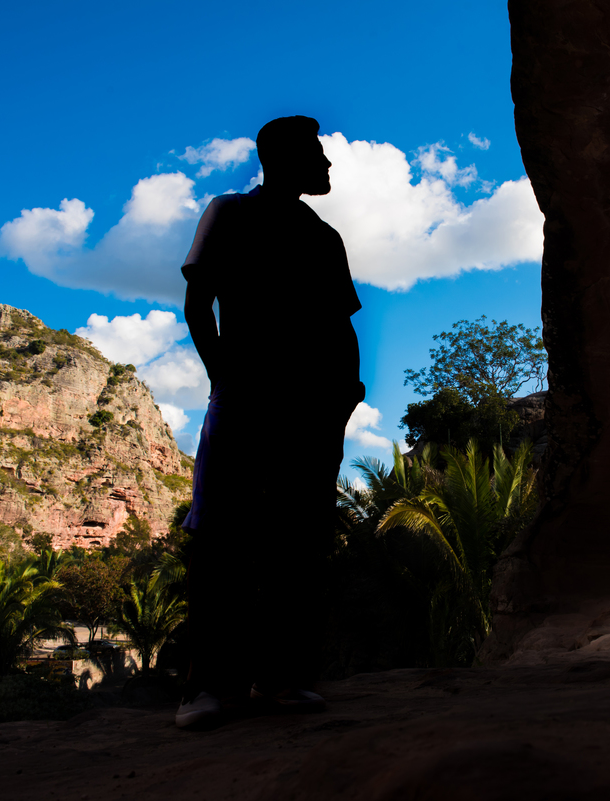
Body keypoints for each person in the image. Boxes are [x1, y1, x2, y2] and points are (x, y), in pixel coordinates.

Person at [175, 116, 364, 727]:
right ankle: (206, 687)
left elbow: (341, 323)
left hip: (314, 407)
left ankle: (280, 678)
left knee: (297, 540)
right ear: (283, 158)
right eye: (318, 154)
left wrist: (346, 394)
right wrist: (223, 378)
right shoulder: (229, 212)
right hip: (245, 398)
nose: (328, 166)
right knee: (222, 538)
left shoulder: (324, 236)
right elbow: (198, 304)